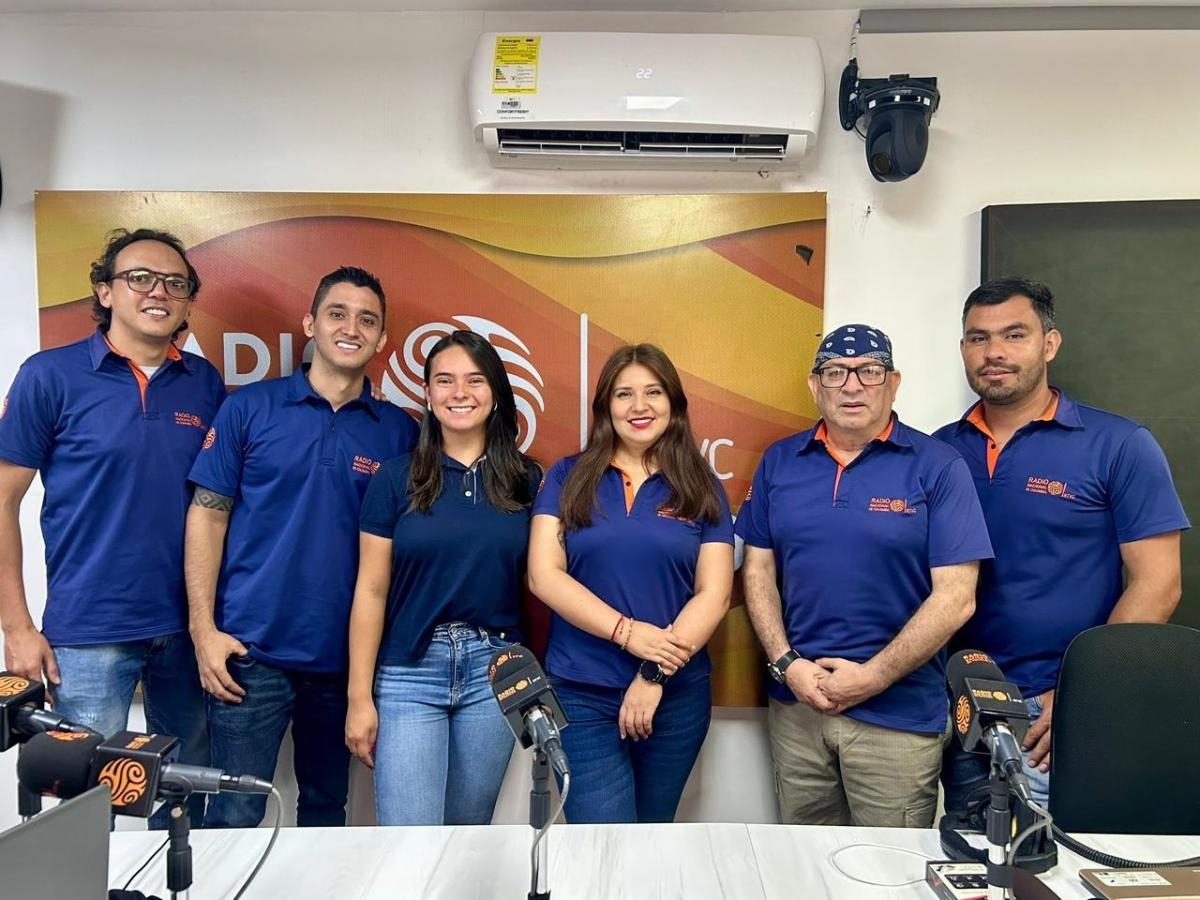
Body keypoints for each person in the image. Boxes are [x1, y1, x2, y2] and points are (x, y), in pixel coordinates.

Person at [935, 279, 1189, 812]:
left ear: (1049, 344)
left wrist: (1082, 696)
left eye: (1014, 335)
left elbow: (1159, 584)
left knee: (1049, 875)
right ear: (963, 349)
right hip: (956, 701)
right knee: (976, 875)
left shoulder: (1119, 445)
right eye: (978, 338)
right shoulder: (939, 452)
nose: (995, 352)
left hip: (1053, 715)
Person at [0, 228, 225, 828]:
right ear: (105, 291)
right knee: (84, 816)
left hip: (187, 632)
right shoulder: (48, 376)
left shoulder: (204, 383)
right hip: (88, 633)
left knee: (187, 807)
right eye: (140, 279)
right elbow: (2, 501)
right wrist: (17, 627)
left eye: (175, 283)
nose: (159, 291)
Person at [186, 266, 419, 828]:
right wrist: (202, 630)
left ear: (383, 338)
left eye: (367, 320)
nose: (351, 328)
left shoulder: (400, 433)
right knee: (234, 817)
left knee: (325, 814)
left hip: (344, 663)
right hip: (248, 654)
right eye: (337, 313)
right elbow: (207, 517)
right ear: (310, 323)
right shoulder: (250, 409)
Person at [737, 324, 993, 828]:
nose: (851, 386)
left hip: (897, 720)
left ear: (893, 383)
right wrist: (787, 663)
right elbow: (759, 568)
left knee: (890, 872)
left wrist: (870, 678)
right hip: (799, 710)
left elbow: (957, 597)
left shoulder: (939, 467)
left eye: (868, 372)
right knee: (805, 867)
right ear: (815, 386)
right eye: (835, 372)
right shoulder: (779, 462)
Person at [527, 343, 733, 824]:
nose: (639, 407)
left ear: (674, 403)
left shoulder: (702, 484)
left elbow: (715, 593)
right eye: (624, 394)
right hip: (580, 692)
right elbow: (543, 574)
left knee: (652, 841)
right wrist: (627, 632)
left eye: (653, 392)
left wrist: (653, 672)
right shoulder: (568, 475)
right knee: (602, 843)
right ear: (605, 407)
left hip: (674, 698)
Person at [344, 330, 539, 825]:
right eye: (444, 380)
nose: (459, 393)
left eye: (475, 381)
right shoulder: (395, 478)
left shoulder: (528, 481)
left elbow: (550, 581)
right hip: (410, 671)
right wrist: (359, 697)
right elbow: (371, 589)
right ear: (427, 394)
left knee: (467, 838)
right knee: (409, 839)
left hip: (495, 671)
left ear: (495, 393)